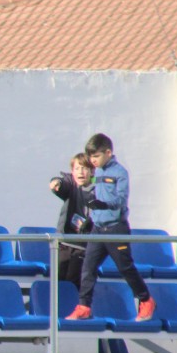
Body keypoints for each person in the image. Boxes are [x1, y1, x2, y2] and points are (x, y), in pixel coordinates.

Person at [67, 133, 155, 321]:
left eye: (96, 156)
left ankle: (146, 300)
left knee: (125, 268)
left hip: (116, 228)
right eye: (90, 157)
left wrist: (104, 204)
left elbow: (121, 200)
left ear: (108, 152)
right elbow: (84, 181)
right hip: (98, 229)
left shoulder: (120, 173)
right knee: (88, 267)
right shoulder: (97, 172)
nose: (93, 161)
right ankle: (84, 306)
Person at [48, 152, 95, 288]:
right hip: (64, 244)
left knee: (74, 283)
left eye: (85, 168)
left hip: (83, 247)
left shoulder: (97, 190)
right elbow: (63, 184)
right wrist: (57, 183)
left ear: (92, 171)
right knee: (58, 282)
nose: (81, 172)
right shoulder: (71, 185)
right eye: (77, 168)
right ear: (72, 171)